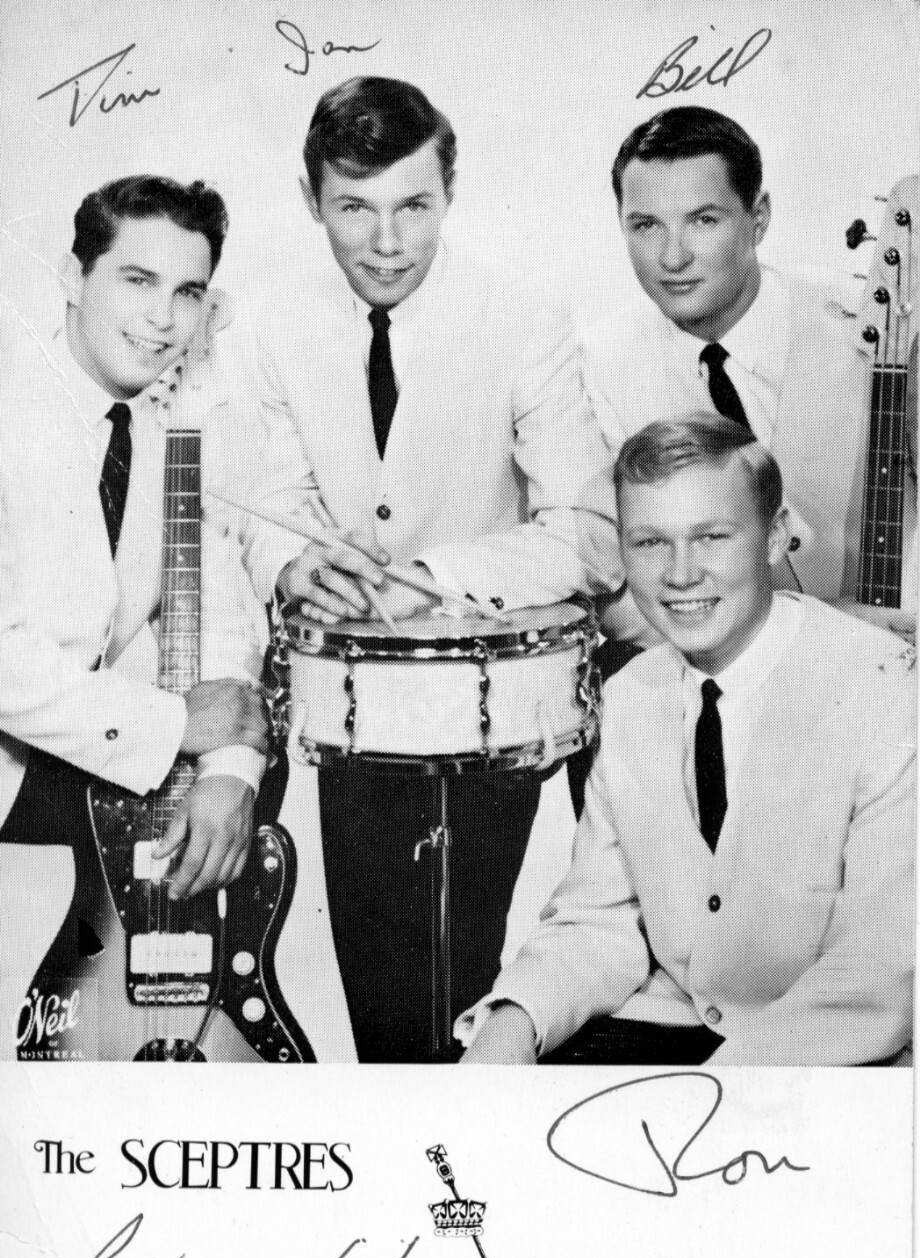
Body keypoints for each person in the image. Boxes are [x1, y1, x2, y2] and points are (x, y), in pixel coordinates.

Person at [227, 76, 620, 1062]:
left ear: (450, 191)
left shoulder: (524, 317)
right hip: (347, 702)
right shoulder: (269, 324)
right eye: (354, 209)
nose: (387, 243)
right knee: (383, 1006)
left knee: (461, 979)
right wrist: (293, 561)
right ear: (310, 198)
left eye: (413, 206)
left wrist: (430, 573)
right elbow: (269, 500)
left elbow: (587, 530)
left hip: (485, 704)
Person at [458, 414, 915, 1067]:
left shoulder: (885, 690)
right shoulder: (632, 694)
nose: (680, 574)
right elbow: (600, 918)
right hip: (673, 1026)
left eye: (712, 537)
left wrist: (707, 1093)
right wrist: (512, 1022)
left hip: (827, 1056)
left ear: (775, 536)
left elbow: (877, 975)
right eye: (650, 542)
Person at [0, 175, 268, 977]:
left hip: (75, 779)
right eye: (137, 280)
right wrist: (175, 725)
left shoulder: (165, 430)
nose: (163, 319)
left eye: (187, 293)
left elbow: (224, 613)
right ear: (71, 275)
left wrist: (231, 773)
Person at [582, 104, 915, 650]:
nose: (673, 257)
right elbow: (612, 589)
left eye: (703, 220)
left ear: (759, 218)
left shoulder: (875, 332)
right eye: (646, 225)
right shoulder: (600, 371)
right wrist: (802, 629)